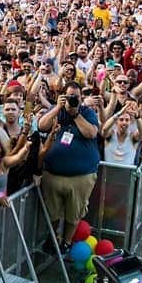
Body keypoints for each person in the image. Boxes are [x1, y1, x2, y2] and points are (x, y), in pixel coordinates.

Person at [37, 82, 101, 251]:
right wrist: (58, 107)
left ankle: (66, 241)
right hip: (53, 174)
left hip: (80, 177)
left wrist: (75, 114)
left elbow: (91, 133)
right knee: (53, 212)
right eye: (69, 96)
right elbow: (42, 125)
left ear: (81, 98)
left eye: (76, 97)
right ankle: (53, 239)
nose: (73, 100)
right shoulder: (56, 110)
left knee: (74, 214)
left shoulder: (87, 113)